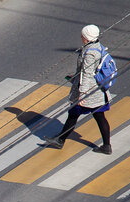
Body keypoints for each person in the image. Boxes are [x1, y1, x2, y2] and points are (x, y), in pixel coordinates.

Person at [44, 24, 112, 154]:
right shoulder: (98, 46)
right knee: (99, 116)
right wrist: (75, 77)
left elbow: (87, 73)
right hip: (98, 90)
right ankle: (106, 146)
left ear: (86, 37)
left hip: (89, 92)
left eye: (82, 35)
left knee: (74, 114)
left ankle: (60, 141)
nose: (81, 37)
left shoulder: (90, 53)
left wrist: (82, 94)